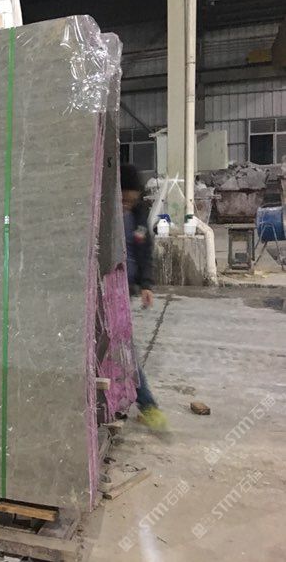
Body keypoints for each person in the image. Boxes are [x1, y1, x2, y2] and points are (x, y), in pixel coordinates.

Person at [120, 163, 168, 431]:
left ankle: (148, 407)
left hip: (124, 291)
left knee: (124, 350)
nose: (127, 204)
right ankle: (141, 405)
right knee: (120, 351)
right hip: (105, 290)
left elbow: (145, 250)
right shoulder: (105, 213)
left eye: (131, 199)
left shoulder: (138, 214)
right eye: (123, 199)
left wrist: (146, 285)